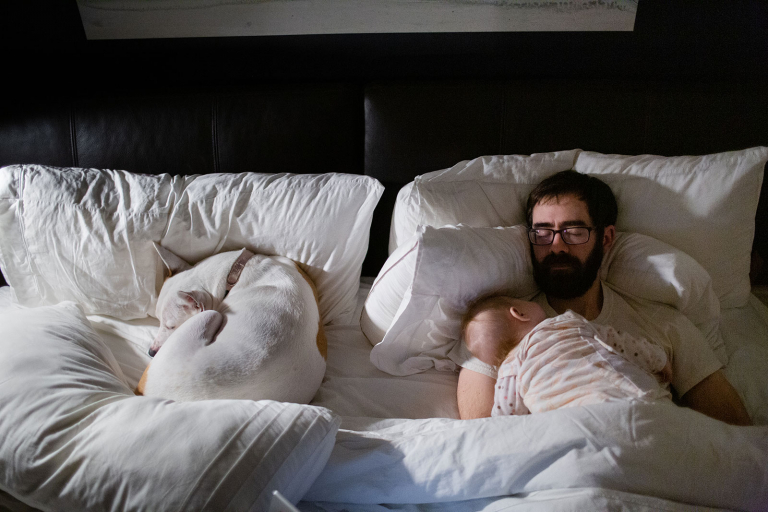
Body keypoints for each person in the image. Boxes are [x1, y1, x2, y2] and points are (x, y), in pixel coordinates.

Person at [456, 170, 752, 425]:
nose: (556, 246)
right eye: (543, 232)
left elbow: (735, 434)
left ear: (606, 238)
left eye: (573, 231)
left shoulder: (664, 324)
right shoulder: (497, 330)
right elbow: (486, 438)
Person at [463, 294, 673, 416]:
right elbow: (620, 342)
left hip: (574, 422)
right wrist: (658, 359)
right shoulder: (565, 323)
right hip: (628, 396)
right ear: (518, 313)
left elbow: (506, 418)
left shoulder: (510, 369)